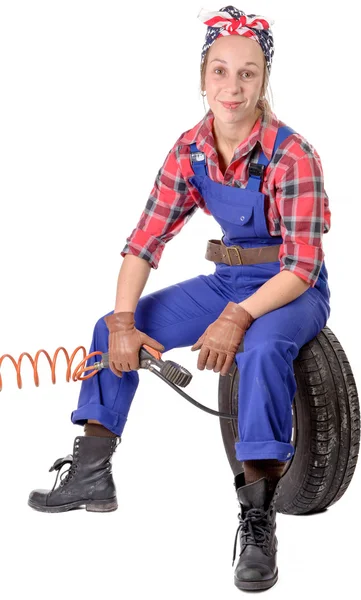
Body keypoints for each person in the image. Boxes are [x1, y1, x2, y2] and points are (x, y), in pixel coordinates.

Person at [28, 5, 331, 592]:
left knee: (261, 351)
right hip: (228, 281)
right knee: (109, 325)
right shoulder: (190, 151)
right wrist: (122, 322)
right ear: (202, 77)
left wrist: (237, 319)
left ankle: (258, 518)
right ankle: (92, 470)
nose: (232, 86)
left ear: (265, 79)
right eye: (220, 71)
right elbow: (144, 241)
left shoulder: (292, 155)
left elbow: (301, 265)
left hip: (291, 290)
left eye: (247, 73)